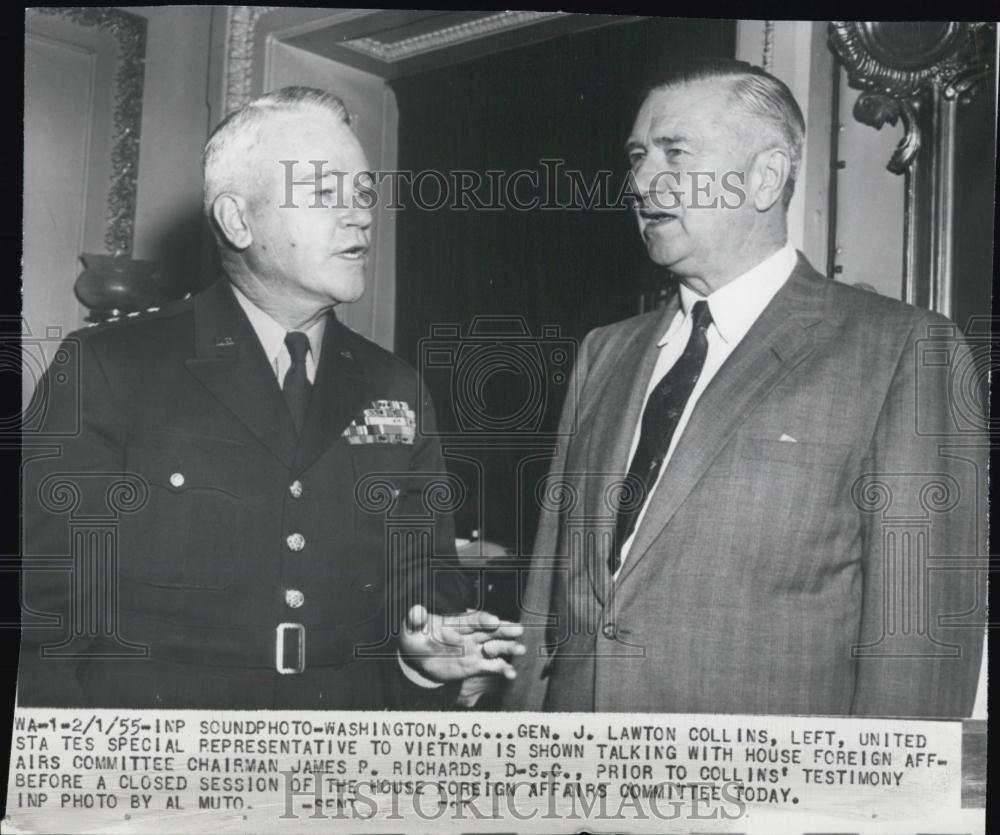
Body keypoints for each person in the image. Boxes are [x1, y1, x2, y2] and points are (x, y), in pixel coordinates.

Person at [504, 60, 985, 716]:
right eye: (638, 157)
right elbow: (546, 610)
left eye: (676, 153)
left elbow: (917, 653)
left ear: (766, 176)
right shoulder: (604, 352)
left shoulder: (901, 350)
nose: (640, 182)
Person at [18, 86, 522, 709]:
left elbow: (426, 591)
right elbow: (44, 626)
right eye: (324, 192)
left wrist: (422, 666)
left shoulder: (395, 387)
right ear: (238, 220)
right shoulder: (109, 368)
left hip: (343, 749)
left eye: (364, 193)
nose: (360, 216)